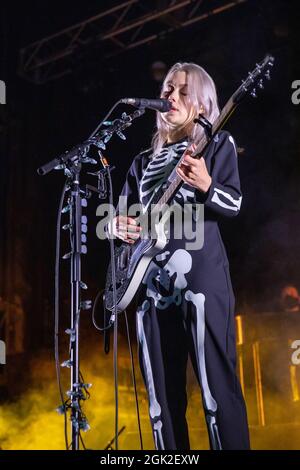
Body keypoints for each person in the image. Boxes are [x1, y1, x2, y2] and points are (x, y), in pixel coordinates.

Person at [109, 62, 250, 450]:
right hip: (151, 289)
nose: (170, 96)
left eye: (182, 91)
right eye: (168, 89)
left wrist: (205, 183)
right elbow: (118, 220)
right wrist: (117, 227)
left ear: (203, 104)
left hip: (201, 281)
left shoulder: (218, 144)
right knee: (160, 403)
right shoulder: (141, 162)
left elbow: (233, 203)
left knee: (216, 391)